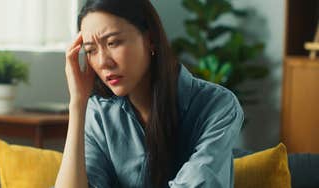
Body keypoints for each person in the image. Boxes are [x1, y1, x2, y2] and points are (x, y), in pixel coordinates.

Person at [55, 0, 244, 187]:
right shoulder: (99, 114)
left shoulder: (218, 105)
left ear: (150, 39)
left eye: (113, 42)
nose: (103, 61)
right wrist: (78, 104)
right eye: (91, 50)